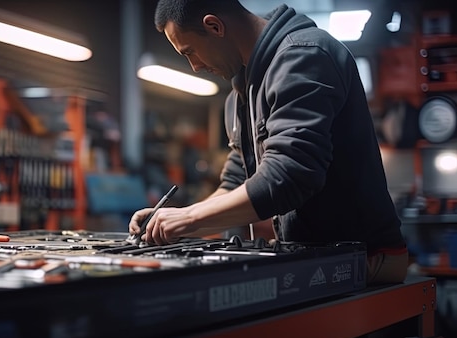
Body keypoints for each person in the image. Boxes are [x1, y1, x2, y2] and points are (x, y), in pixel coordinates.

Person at [128, 0, 409, 285]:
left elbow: (290, 176)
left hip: (366, 257)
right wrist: (174, 221)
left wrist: (190, 218)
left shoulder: (303, 57)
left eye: (190, 53)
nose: (196, 66)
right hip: (312, 257)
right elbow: (235, 183)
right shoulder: (240, 94)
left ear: (214, 26)